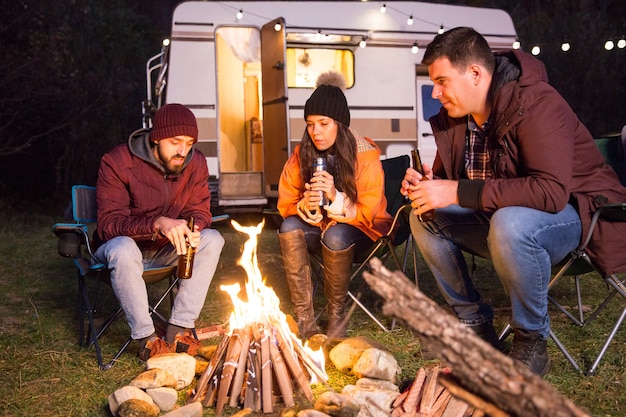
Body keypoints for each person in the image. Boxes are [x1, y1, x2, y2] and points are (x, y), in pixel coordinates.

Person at [401, 27, 626, 376]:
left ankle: (531, 340)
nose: (435, 92)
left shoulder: (536, 103)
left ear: (475, 73)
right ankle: (477, 328)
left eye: (443, 81)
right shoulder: (457, 118)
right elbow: (451, 183)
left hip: (576, 215)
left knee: (511, 223)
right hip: (500, 219)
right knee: (424, 217)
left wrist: (455, 191)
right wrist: (429, 186)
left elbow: (550, 192)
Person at [94, 103, 225, 360]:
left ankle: (179, 329)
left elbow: (201, 209)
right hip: (122, 252)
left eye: (189, 143)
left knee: (212, 239)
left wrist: (192, 227)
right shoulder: (117, 162)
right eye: (175, 141)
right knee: (122, 247)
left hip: (166, 251)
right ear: (156, 138)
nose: (182, 151)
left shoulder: (195, 162)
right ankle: (146, 339)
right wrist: (157, 223)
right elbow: (109, 225)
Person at [277, 72, 393, 339]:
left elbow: (368, 212)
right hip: (323, 228)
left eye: (323, 123)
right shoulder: (302, 154)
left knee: (336, 234)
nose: (315, 131)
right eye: (310, 124)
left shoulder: (364, 155)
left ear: (340, 123)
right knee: (289, 226)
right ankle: (305, 320)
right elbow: (286, 203)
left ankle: (336, 317)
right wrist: (305, 205)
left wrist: (335, 195)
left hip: (363, 232)